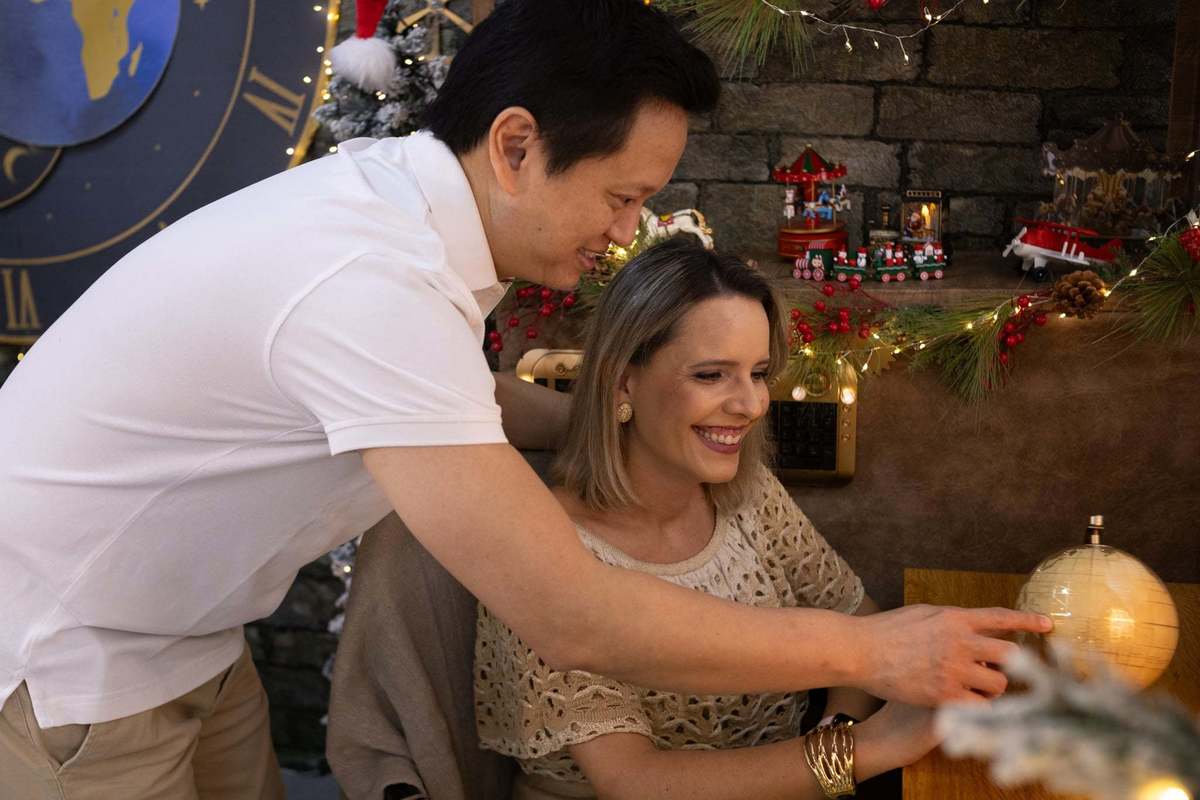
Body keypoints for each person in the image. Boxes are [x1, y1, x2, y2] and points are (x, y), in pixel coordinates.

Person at [0, 1, 1048, 797]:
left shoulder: (411, 216)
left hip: (193, 640)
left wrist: (608, 417)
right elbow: (573, 612)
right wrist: (872, 652)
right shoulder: (367, 277)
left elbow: (458, 397)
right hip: (68, 663)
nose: (629, 230)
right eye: (622, 196)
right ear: (514, 145)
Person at [472, 240, 941, 800]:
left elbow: (854, 615)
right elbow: (634, 781)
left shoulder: (745, 494)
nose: (751, 404)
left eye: (759, 373)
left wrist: (832, 737)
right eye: (712, 375)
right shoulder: (546, 553)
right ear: (624, 383)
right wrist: (868, 748)